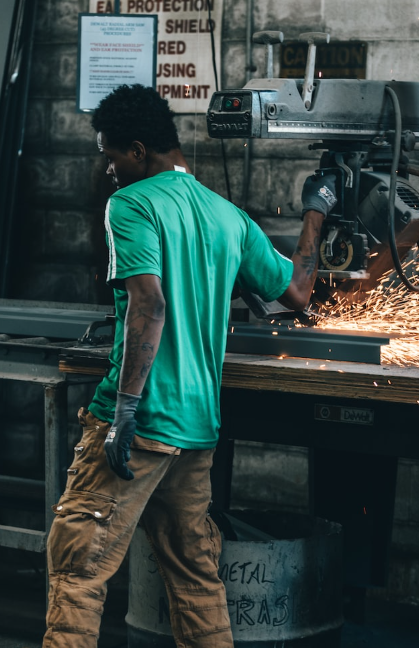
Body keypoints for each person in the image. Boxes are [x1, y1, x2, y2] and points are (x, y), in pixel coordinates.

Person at [43, 84, 337, 648]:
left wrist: (126, 408)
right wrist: (315, 211)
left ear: (136, 149)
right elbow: (300, 293)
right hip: (197, 430)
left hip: (138, 425)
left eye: (109, 156)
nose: (108, 171)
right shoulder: (228, 216)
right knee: (196, 577)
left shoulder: (131, 204)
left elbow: (149, 305)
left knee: (78, 570)